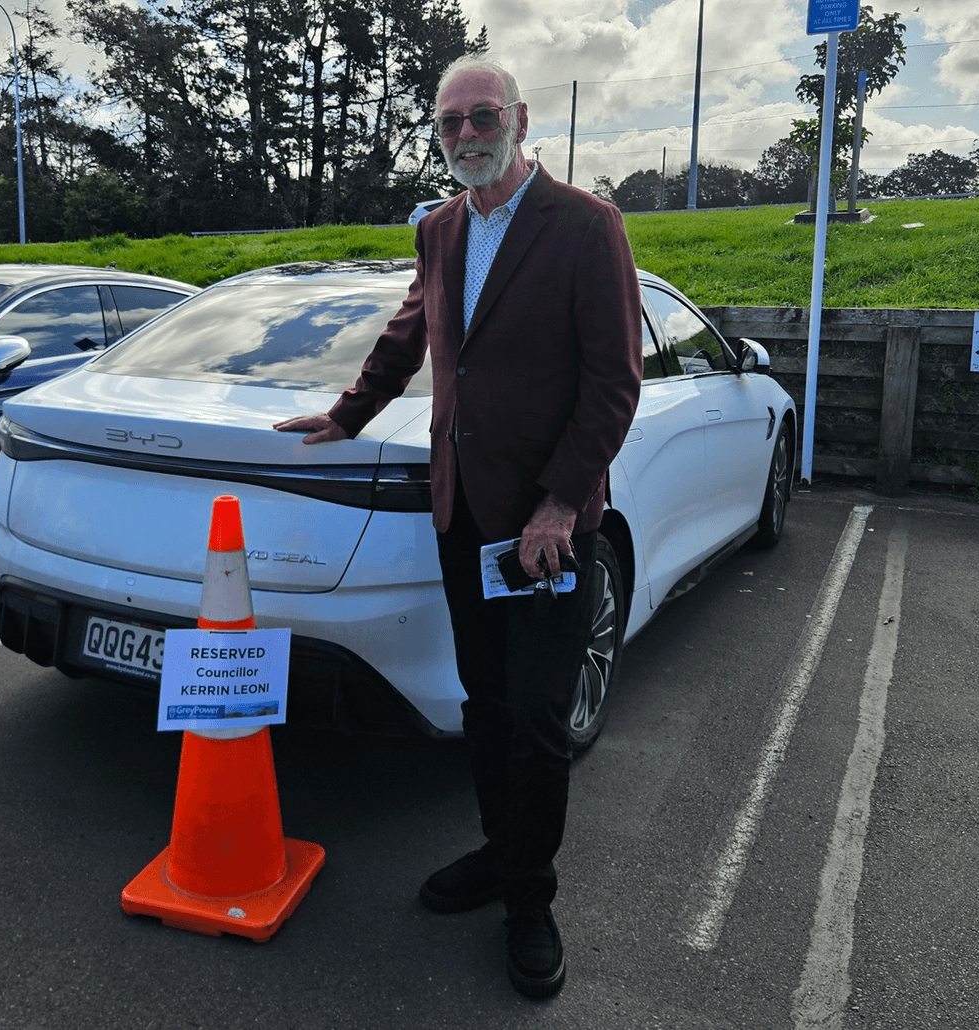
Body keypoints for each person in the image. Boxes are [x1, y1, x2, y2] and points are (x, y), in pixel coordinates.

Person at [274, 53, 642, 999]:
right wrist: (350, 413)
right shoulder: (439, 229)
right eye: (452, 124)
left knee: (538, 716)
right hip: (464, 510)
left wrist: (562, 501)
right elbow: (411, 333)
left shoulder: (586, 225)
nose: (469, 136)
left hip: (549, 526)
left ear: (520, 119)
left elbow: (613, 381)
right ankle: (497, 853)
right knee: (483, 701)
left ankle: (531, 898)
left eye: (484, 117)